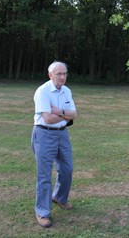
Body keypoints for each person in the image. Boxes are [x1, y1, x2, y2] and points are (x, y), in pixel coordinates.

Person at [31, 61, 77, 228]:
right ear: (50, 75)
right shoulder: (42, 91)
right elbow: (48, 119)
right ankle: (42, 212)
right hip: (44, 134)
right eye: (59, 74)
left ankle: (59, 197)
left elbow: (74, 114)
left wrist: (60, 112)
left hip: (62, 134)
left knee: (67, 169)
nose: (63, 77)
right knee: (44, 176)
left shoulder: (67, 91)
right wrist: (66, 115)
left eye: (65, 73)